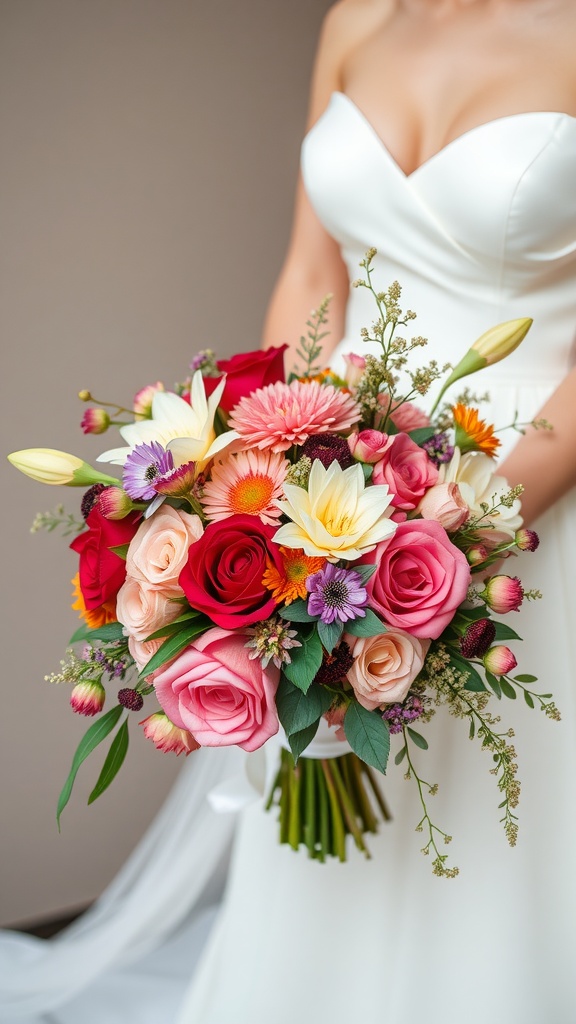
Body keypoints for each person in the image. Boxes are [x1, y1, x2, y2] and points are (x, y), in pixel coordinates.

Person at [1, 1, 575, 1021]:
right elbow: (315, 275)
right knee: (334, 788)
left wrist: (445, 531)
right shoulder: (357, 18)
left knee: (495, 838)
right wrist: (272, 478)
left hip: (525, 510)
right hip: (332, 486)